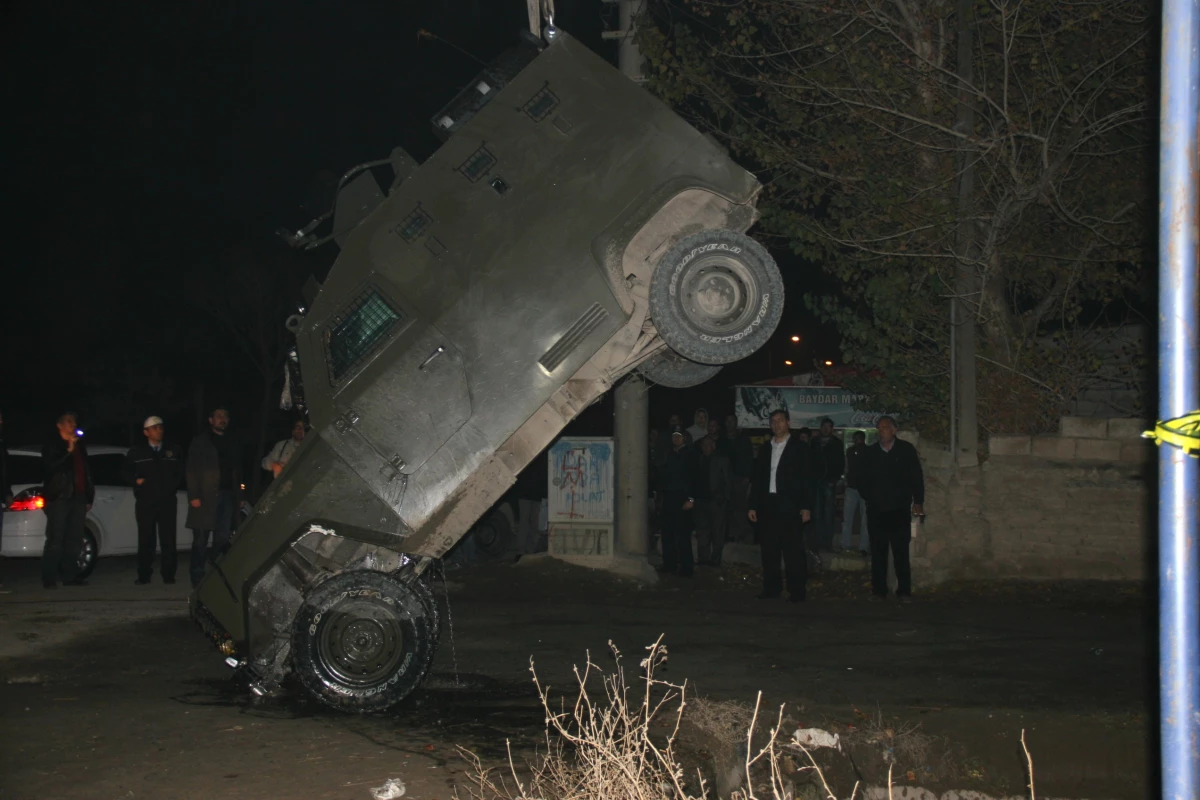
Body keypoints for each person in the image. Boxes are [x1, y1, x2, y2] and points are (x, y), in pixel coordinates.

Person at [748, 409, 813, 601]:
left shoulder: (800, 448)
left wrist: (806, 506)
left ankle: (797, 591)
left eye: (780, 421)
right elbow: (758, 478)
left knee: (793, 550)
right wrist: (753, 505)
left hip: (791, 505)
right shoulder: (766, 448)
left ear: (788, 423)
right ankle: (771, 588)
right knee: (769, 550)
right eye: (773, 421)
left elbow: (807, 479)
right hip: (768, 505)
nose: (776, 424)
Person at [858, 416, 924, 602]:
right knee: (878, 552)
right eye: (879, 428)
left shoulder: (905, 451)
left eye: (885, 427)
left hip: (899, 509)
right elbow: (861, 479)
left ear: (894, 430)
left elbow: (916, 477)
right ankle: (879, 591)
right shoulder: (870, 453)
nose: (882, 431)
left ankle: (904, 591)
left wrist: (918, 501)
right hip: (877, 510)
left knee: (900, 551)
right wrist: (871, 497)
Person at [186, 407, 244, 587]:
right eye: (219, 416)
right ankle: (197, 575)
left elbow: (238, 470)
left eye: (225, 416)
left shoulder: (232, 441)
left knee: (222, 538)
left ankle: (216, 574)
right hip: (205, 496)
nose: (223, 419)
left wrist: (240, 494)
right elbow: (191, 469)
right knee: (201, 538)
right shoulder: (201, 442)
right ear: (211, 420)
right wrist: (194, 494)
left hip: (227, 495)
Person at [123, 416, 183, 585]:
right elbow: (125, 472)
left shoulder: (173, 450)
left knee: (168, 539)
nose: (159, 430)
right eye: (155, 428)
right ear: (146, 432)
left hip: (167, 502)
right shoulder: (137, 452)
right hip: (146, 502)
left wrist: (171, 487)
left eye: (160, 427)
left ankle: (169, 575)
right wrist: (136, 481)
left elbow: (179, 473)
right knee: (146, 539)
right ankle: (144, 575)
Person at [41, 412, 94, 588]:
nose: (73, 425)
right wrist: (67, 451)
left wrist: (88, 496)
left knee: (75, 538)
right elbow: (50, 468)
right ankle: (49, 578)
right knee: (56, 538)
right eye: (69, 422)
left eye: (74, 422)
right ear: (60, 425)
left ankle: (70, 576)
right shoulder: (53, 445)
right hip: (60, 497)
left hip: (78, 497)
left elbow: (85, 471)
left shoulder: (80, 446)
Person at [657, 429, 698, 577]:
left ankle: (687, 567)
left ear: (685, 438)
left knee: (683, 535)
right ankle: (669, 564)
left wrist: (691, 499)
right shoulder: (670, 455)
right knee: (667, 533)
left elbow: (695, 479)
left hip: (683, 500)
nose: (676, 439)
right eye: (674, 436)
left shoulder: (690, 455)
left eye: (679, 436)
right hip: (669, 499)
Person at [694, 436, 733, 566]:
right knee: (702, 533)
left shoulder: (721, 460)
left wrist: (723, 499)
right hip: (701, 502)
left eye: (708, 444)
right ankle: (703, 560)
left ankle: (715, 560)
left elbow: (728, 482)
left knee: (718, 533)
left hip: (716, 502)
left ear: (714, 445)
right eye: (703, 445)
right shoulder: (699, 459)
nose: (706, 447)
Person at [811, 418, 845, 551]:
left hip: (829, 481)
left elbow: (840, 462)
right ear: (821, 428)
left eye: (829, 427)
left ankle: (827, 543)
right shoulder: (815, 442)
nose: (826, 429)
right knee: (817, 513)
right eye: (824, 426)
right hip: (816, 481)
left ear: (832, 428)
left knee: (828, 513)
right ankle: (818, 543)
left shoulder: (836, 443)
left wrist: (834, 478)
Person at [723, 414, 755, 544]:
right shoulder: (722, 439)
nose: (730, 423)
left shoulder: (743, 439)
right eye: (728, 421)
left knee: (740, 508)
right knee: (726, 508)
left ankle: (741, 535)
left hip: (740, 479)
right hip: (724, 480)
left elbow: (749, 458)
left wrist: (747, 476)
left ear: (736, 423)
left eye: (732, 421)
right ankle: (729, 534)